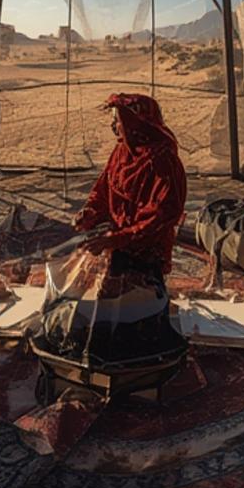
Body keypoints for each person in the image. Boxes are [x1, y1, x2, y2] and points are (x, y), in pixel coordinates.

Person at [46, 92, 187, 367]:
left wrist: (116, 239)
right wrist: (90, 213)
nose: (113, 127)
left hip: (146, 246)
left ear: (136, 124)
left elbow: (162, 216)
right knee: (91, 290)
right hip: (118, 240)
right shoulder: (123, 151)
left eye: (118, 121)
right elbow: (103, 189)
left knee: (130, 312)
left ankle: (137, 360)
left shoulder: (163, 161)